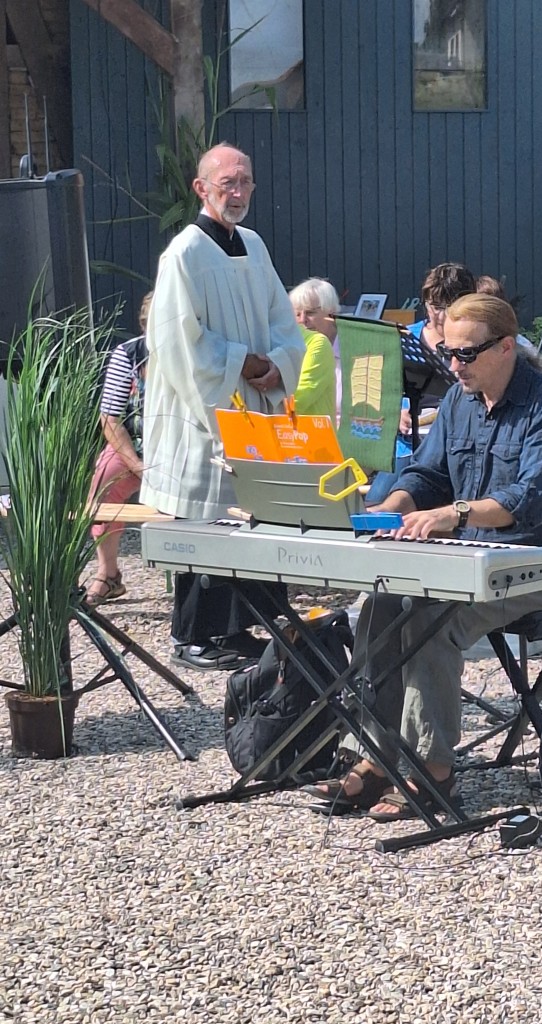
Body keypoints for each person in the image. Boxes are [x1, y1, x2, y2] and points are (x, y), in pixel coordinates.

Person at [305, 295, 542, 820]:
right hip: (469, 553)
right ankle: (375, 755)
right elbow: (428, 475)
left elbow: (530, 502)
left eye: (466, 354)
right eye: (449, 354)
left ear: (506, 347)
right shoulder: (461, 399)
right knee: (380, 607)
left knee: (431, 619)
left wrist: (453, 514)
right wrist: (390, 506)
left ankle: (432, 771)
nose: (454, 365)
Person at [141, 142, 304, 671]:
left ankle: (240, 629)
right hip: (204, 415)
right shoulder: (184, 255)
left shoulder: (254, 246)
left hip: (256, 402)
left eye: (246, 182)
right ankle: (196, 635)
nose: (238, 192)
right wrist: (240, 363)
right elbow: (174, 342)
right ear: (202, 188)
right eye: (228, 183)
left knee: (250, 518)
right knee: (207, 523)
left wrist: (279, 361)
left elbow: (284, 318)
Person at [364, 262, 476, 504]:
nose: (442, 315)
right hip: (408, 444)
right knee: (377, 503)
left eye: (451, 307)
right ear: (425, 303)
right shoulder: (404, 337)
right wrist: (394, 413)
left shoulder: (476, 342)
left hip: (458, 445)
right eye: (435, 306)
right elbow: (377, 393)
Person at [85, 291, 153, 606]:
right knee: (102, 485)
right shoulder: (127, 354)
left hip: (179, 453)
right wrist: (137, 465)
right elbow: (110, 418)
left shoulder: (194, 354)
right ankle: (109, 574)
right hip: (134, 447)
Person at [288, 277, 341, 422]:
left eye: (310, 313)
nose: (302, 320)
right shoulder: (294, 349)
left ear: (331, 313)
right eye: (297, 314)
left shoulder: (355, 350)